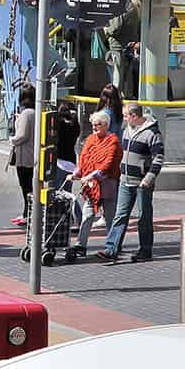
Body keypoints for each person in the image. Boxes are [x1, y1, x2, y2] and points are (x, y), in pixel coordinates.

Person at [98, 103, 165, 263]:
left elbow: (159, 157)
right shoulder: (127, 130)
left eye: (127, 116)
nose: (124, 119)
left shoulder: (152, 133)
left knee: (144, 216)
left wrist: (148, 178)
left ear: (135, 116)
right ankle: (111, 248)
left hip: (142, 182)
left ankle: (145, 250)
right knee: (120, 215)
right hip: (125, 179)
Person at [67, 110, 121, 259]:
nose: (95, 127)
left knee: (110, 217)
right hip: (91, 187)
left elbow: (108, 164)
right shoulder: (90, 139)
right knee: (87, 215)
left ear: (106, 125)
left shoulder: (113, 141)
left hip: (107, 184)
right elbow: (84, 160)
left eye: (98, 125)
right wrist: (76, 174)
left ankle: (112, 247)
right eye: (93, 125)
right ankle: (80, 244)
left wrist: (90, 175)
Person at [8, 87, 37, 228]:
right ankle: (27, 213)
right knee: (28, 187)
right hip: (30, 155)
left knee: (26, 187)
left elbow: (22, 136)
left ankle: (27, 214)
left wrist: (11, 140)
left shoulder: (26, 114)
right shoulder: (34, 112)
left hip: (25, 156)